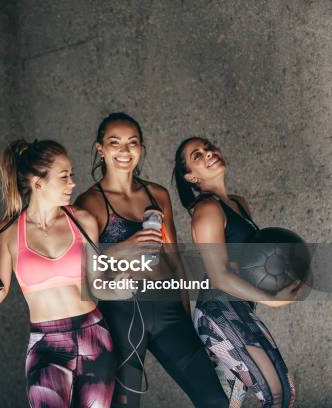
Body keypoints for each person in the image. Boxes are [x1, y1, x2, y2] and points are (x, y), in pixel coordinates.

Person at [76, 113, 228, 407]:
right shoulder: (90, 203)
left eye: (132, 143)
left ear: (141, 149)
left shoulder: (157, 194)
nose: (124, 150)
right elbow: (86, 272)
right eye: (115, 142)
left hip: (169, 309)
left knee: (215, 399)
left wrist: (187, 314)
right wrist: (124, 247)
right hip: (121, 313)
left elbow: (173, 259)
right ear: (100, 149)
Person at [0, 139, 116, 407]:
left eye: (71, 175)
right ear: (39, 183)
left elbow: (98, 285)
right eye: (64, 176)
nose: (72, 182)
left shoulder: (83, 221)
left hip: (93, 335)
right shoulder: (10, 230)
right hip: (46, 343)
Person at [173, 136, 305, 408]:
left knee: (228, 403)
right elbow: (219, 274)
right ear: (191, 177)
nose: (209, 153)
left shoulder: (239, 203)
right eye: (197, 156)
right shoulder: (207, 209)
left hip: (240, 310)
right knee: (279, 393)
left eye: (208, 147)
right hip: (219, 313)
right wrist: (273, 299)